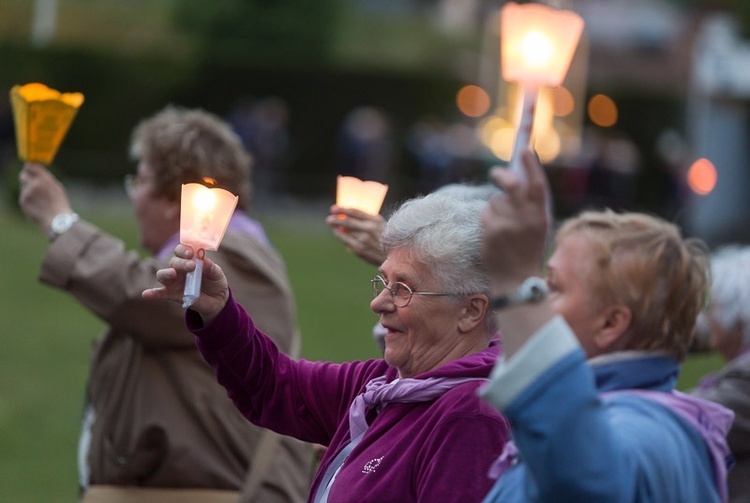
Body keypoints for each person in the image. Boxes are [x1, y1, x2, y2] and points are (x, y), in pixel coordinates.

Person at [18, 106, 311, 502]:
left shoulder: (235, 251)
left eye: (139, 179)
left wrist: (61, 221)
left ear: (177, 198)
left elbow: (145, 298)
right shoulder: (233, 247)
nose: (133, 195)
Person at [144, 189, 512, 502]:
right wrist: (217, 311)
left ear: (471, 310)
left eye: (403, 289)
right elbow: (272, 386)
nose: (379, 303)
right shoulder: (385, 385)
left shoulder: (470, 417)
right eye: (384, 282)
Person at [477, 150, 734, 502]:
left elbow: (585, 483)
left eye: (552, 286)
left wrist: (515, 282)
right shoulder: (641, 417)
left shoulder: (643, 430)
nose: (538, 298)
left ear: (611, 323)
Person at [691, 245, 750, 502]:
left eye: (712, 308)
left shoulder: (746, 380)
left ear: (738, 323)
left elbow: (690, 420)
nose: (706, 318)